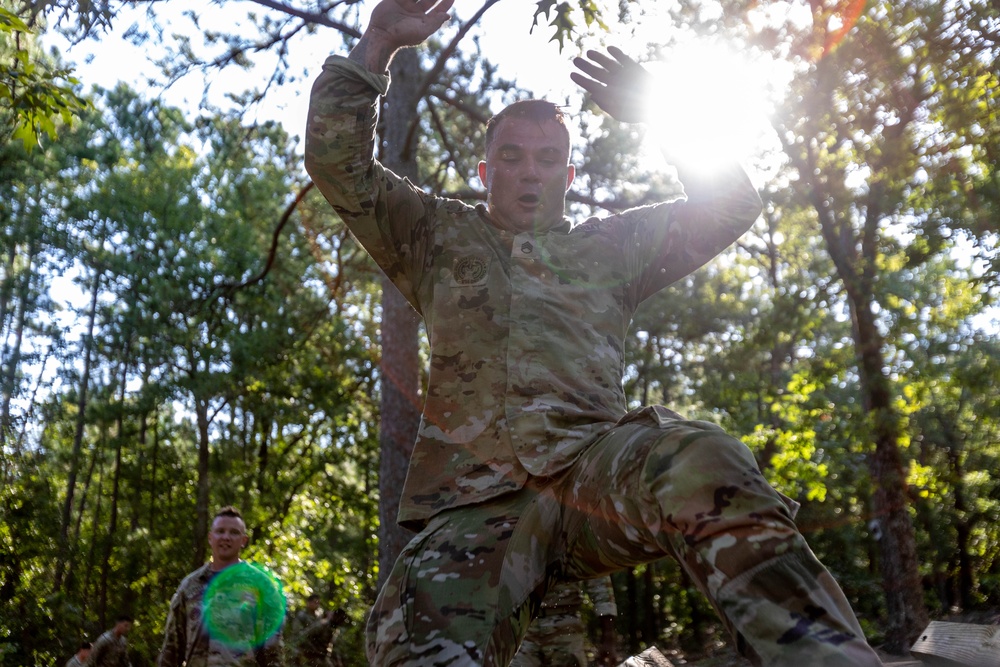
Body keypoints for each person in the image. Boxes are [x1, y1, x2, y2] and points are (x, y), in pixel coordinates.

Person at [304, 0, 885, 665]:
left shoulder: (614, 246)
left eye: (548, 159)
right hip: (473, 506)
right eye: (512, 158)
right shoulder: (435, 234)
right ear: (485, 171)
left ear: (570, 176)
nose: (530, 171)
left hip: (593, 481)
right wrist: (377, 42)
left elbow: (732, 204)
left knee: (700, 457)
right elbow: (336, 163)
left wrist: (665, 116)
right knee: (413, 637)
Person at [156, 506, 284, 667]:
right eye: (220, 531)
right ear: (210, 537)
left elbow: (273, 652)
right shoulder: (190, 586)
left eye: (234, 532)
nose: (226, 537)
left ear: (243, 540)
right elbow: (172, 648)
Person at [511, 577, 619, 667]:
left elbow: (600, 584)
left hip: (565, 628)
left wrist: (608, 636)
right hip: (523, 627)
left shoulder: (574, 550)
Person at [286, 594, 346, 666]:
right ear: (308, 602)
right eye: (314, 602)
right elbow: (298, 634)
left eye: (318, 603)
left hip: (315, 649)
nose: (316, 605)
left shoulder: (319, 615)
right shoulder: (302, 615)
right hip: (302, 645)